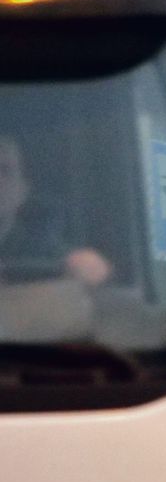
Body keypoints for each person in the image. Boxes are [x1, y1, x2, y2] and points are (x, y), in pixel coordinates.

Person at [0, 137, 112, 342]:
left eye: (4, 171)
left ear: (22, 191)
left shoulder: (47, 253)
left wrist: (87, 268)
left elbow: (89, 275)